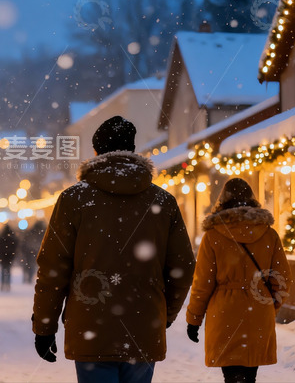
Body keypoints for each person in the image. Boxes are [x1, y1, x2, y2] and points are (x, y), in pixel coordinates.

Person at [32, 116, 195, 383]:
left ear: (96, 152)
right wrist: (163, 315)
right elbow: (183, 267)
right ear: (132, 150)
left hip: (90, 325)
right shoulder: (162, 201)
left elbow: (53, 267)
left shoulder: (74, 200)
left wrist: (44, 326)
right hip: (143, 325)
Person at [185, 178, 290, 383]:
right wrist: (271, 304)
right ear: (252, 199)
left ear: (222, 201)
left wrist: (194, 319)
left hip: (225, 313)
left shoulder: (213, 236)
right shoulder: (268, 234)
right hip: (259, 310)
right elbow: (282, 279)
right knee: (250, 375)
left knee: (232, 376)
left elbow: (202, 284)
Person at [0, 224, 18, 291]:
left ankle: (3, 284)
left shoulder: (1, 238)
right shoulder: (12, 238)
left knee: (3, 271)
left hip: (3, 257)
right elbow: (15, 247)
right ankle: (8, 284)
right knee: (8, 271)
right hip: (9, 257)